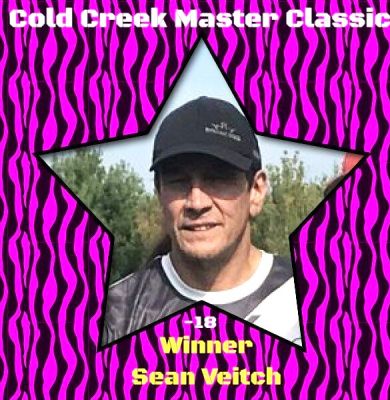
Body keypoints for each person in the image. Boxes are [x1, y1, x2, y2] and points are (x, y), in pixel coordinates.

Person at [102, 97, 301, 345]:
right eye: (178, 181)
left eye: (217, 179)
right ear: (159, 193)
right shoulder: (116, 312)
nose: (196, 203)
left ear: (256, 191)